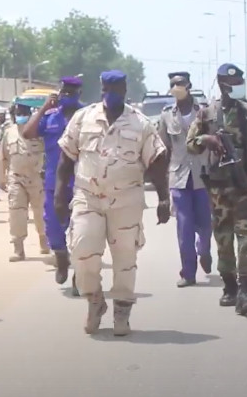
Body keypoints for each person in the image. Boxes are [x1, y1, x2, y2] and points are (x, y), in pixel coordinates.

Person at [55, 70, 170, 336]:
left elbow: (156, 162)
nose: (111, 93)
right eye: (107, 87)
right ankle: (95, 301)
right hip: (88, 197)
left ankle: (122, 310)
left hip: (126, 201)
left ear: (125, 88)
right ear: (101, 88)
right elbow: (65, 161)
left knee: (125, 259)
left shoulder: (140, 123)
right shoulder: (83, 119)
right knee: (82, 252)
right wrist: (59, 195)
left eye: (117, 87)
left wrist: (164, 197)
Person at [187, 63, 247, 316]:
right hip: (218, 188)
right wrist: (207, 140)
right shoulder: (206, 114)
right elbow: (191, 144)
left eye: (239, 83)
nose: (237, 87)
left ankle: (246, 290)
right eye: (233, 84)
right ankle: (230, 287)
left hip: (244, 186)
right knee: (223, 238)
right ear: (222, 84)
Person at [23, 76, 84, 292]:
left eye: (71, 93)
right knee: (53, 229)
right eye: (64, 92)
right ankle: (61, 259)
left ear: (79, 95)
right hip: (53, 183)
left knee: (82, 231)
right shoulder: (50, 117)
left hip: (81, 183)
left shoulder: (86, 116)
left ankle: (81, 275)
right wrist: (42, 108)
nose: (67, 96)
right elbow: (27, 133)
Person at [157, 72, 212, 288]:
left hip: (203, 175)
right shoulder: (166, 115)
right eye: (173, 84)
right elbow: (164, 149)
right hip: (179, 177)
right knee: (184, 226)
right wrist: (162, 182)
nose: (176, 87)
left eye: (180, 83)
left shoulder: (204, 112)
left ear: (188, 85)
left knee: (206, 224)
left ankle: (204, 250)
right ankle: (188, 272)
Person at [0, 100, 49, 262]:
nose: (21, 116)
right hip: (16, 178)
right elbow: (2, 156)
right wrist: (1, 178)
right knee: (16, 213)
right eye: (18, 113)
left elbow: (48, 153)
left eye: (24, 113)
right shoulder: (9, 132)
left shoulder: (38, 131)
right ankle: (18, 249)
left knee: (41, 213)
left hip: (36, 178)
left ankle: (44, 241)